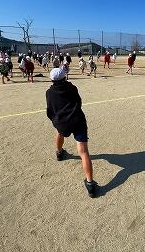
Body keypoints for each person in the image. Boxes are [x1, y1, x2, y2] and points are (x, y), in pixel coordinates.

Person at [46, 67, 97, 197]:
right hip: (77, 120)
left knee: (60, 133)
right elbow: (79, 102)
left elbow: (50, 110)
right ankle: (90, 183)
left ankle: (59, 153)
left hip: (62, 122)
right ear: (65, 77)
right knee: (84, 152)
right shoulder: (72, 88)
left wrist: (56, 120)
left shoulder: (49, 92)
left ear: (52, 80)